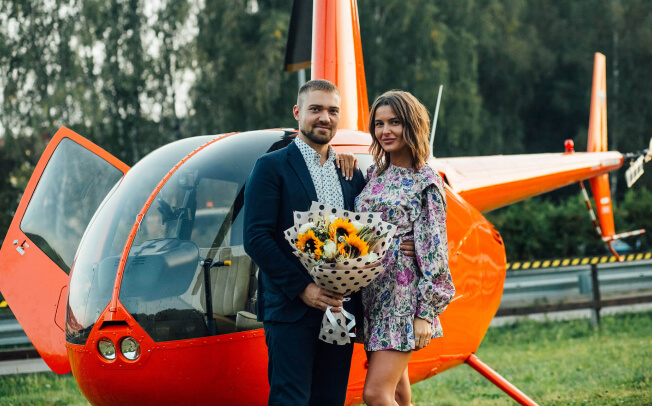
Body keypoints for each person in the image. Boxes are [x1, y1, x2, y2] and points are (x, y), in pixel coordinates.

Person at [244, 80, 415, 405]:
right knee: (290, 399)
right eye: (316, 109)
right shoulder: (271, 167)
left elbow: (367, 233)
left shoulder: (349, 172)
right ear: (298, 113)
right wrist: (304, 289)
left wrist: (407, 245)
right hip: (291, 310)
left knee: (331, 399)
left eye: (332, 111)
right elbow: (256, 238)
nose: (324, 117)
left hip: (341, 310)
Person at [355, 90, 455, 406]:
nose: (385, 131)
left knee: (375, 393)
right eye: (379, 124)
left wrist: (425, 314)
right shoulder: (374, 174)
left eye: (394, 122)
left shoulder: (426, 181)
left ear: (411, 125)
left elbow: (435, 252)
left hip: (402, 300)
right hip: (372, 297)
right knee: (397, 393)